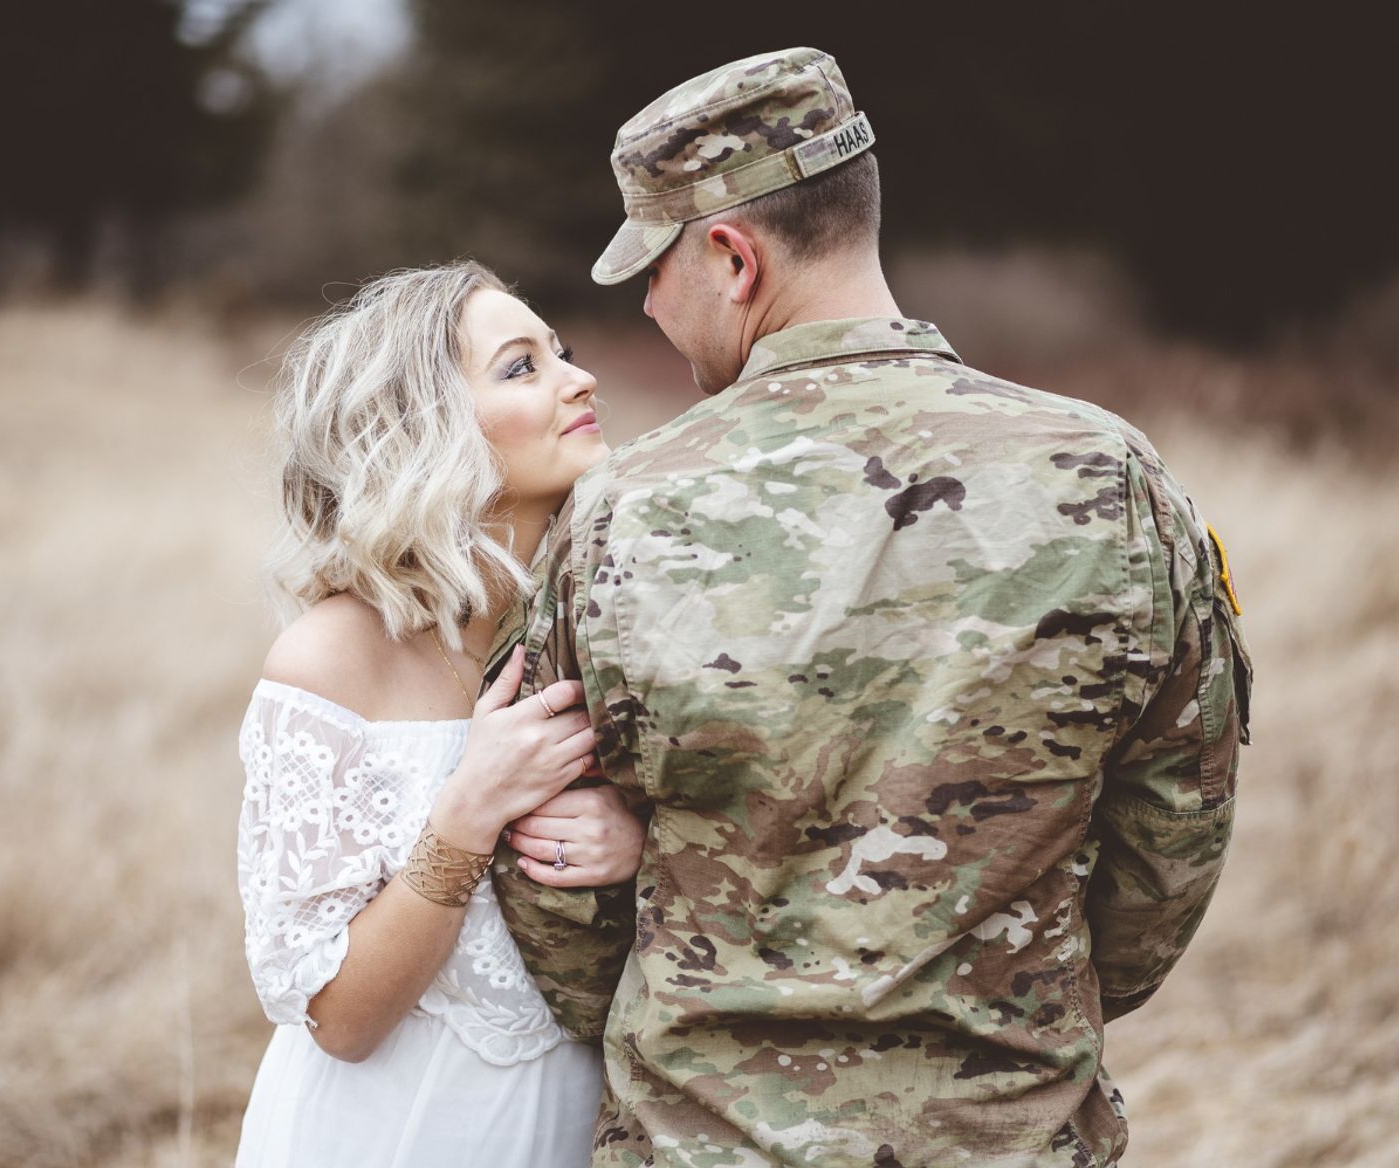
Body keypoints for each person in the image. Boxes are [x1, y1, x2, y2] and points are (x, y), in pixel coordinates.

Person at [487, 47, 1253, 1168]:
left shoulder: (621, 513)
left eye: (651, 267)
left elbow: (551, 881)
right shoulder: (1113, 477)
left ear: (730, 257)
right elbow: (1170, 842)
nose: (646, 303)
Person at [233, 261, 646, 1167]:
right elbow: (339, 1020)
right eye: (520, 366)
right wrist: (466, 816)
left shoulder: (620, 621)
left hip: (587, 1127)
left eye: (562, 353)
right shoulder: (332, 660)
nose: (579, 379)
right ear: (424, 428)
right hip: (398, 1131)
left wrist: (639, 849)